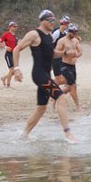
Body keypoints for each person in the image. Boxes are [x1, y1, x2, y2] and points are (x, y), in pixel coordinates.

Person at [12, 10, 77, 143]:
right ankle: (68, 133)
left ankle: (23, 135)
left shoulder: (49, 36)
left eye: (54, 20)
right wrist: (16, 69)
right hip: (39, 74)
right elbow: (16, 49)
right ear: (43, 21)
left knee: (41, 108)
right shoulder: (34, 34)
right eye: (51, 20)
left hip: (46, 74)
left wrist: (65, 53)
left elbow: (51, 54)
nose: (54, 23)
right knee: (62, 98)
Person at [55, 22, 83, 111]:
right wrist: (66, 53)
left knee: (68, 87)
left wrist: (76, 55)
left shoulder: (75, 40)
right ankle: (78, 106)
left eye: (74, 32)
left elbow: (80, 51)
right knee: (73, 85)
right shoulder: (62, 41)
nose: (73, 34)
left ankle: (55, 97)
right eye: (71, 31)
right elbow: (55, 53)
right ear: (68, 31)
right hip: (64, 65)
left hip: (72, 66)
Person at [52, 15, 70, 85]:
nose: (67, 25)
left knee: (65, 78)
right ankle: (45, 83)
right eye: (66, 23)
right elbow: (50, 44)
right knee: (60, 80)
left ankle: (46, 83)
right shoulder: (56, 33)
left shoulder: (65, 33)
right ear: (61, 23)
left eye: (68, 23)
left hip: (62, 58)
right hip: (55, 58)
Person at [0, 21, 18, 87]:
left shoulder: (15, 36)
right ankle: (8, 84)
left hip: (14, 54)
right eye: (14, 26)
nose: (16, 27)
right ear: (10, 27)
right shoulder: (6, 34)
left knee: (14, 71)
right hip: (8, 54)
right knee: (11, 69)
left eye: (16, 26)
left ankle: (4, 78)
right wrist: (5, 47)